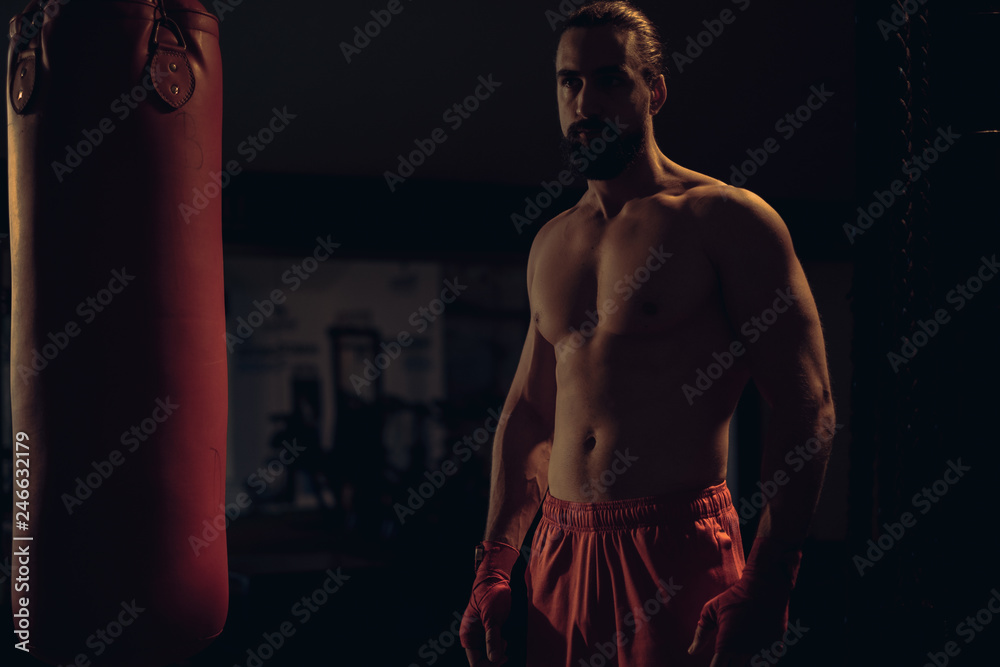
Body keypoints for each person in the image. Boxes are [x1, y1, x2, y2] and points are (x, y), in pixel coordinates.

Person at [459, 2, 837, 665]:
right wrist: (494, 565)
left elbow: (807, 406)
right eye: (569, 81)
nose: (585, 100)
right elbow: (529, 413)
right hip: (560, 548)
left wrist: (772, 574)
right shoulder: (553, 241)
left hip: (672, 542)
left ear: (653, 90)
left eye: (609, 79)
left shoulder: (725, 219)